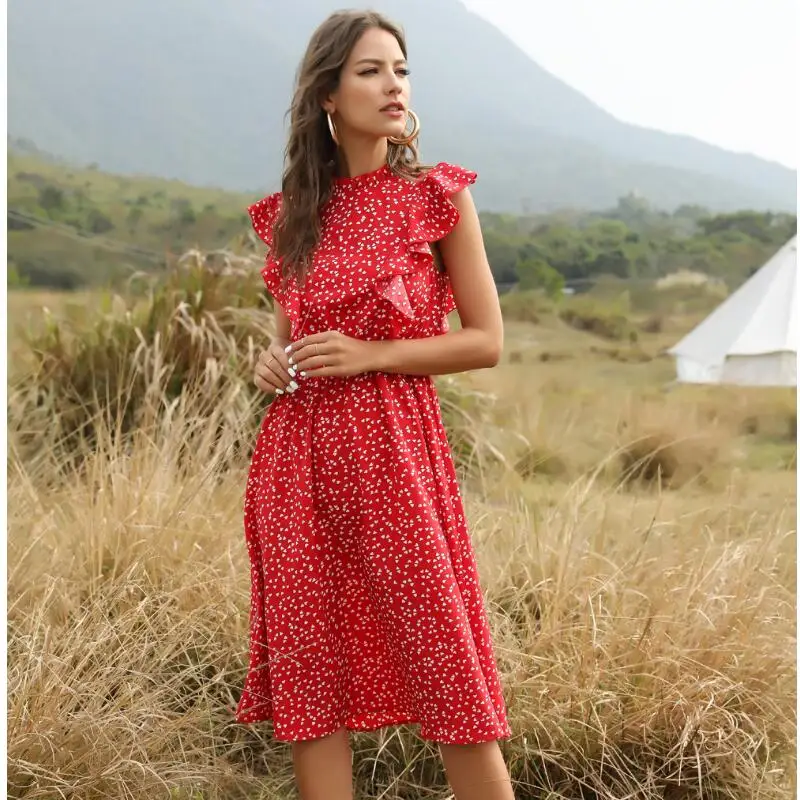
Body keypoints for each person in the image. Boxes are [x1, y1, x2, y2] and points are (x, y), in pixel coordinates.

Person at [236, 10, 515, 800]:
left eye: (401, 69)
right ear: (328, 94)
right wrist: (270, 362)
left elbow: (486, 340)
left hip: (395, 460)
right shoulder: (292, 216)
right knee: (312, 679)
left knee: (447, 671)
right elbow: (288, 341)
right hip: (296, 468)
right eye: (370, 71)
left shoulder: (435, 198)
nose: (394, 85)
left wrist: (374, 355)